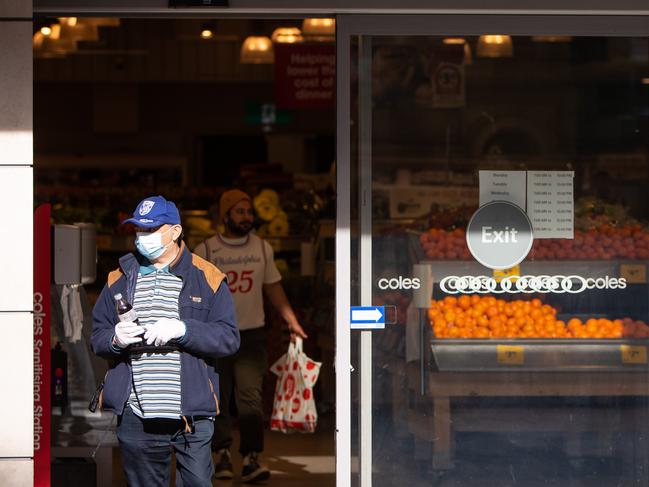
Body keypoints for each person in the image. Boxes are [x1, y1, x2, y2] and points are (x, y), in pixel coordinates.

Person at [91, 195, 240, 487]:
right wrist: (115, 339)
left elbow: (229, 338)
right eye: (139, 230)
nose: (143, 237)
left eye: (151, 230)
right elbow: (97, 338)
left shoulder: (207, 277)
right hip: (137, 413)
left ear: (175, 232)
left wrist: (183, 329)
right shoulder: (118, 279)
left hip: (191, 415)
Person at [194, 189, 308, 483]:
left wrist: (292, 321)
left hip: (252, 335)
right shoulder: (206, 250)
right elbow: (192, 295)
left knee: (250, 398)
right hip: (216, 336)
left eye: (249, 212)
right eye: (239, 211)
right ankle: (221, 456)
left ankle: (251, 458)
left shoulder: (262, 248)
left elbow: (273, 287)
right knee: (217, 397)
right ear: (225, 215)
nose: (247, 217)